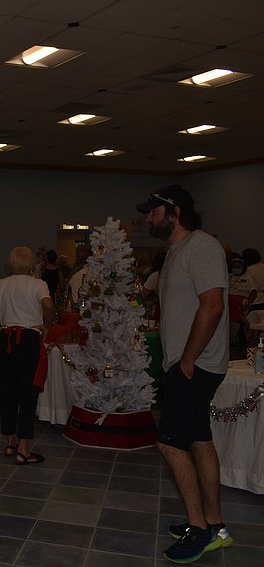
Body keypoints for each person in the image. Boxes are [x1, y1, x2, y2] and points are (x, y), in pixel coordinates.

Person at [135, 185, 232, 563]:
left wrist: (189, 359)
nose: (148, 218)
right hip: (186, 362)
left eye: (153, 211)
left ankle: (199, 529)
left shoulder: (202, 246)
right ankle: (215, 524)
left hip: (195, 364)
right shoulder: (175, 252)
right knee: (199, 439)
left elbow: (213, 306)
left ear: (175, 212)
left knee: (170, 443)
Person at [0, 246, 54, 465]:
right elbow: (47, 304)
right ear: (32, 264)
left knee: (8, 390)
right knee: (28, 392)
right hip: (29, 338)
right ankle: (23, 448)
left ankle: (10, 441)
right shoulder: (38, 284)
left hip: (6, 338)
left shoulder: (2, 284)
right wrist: (47, 325)